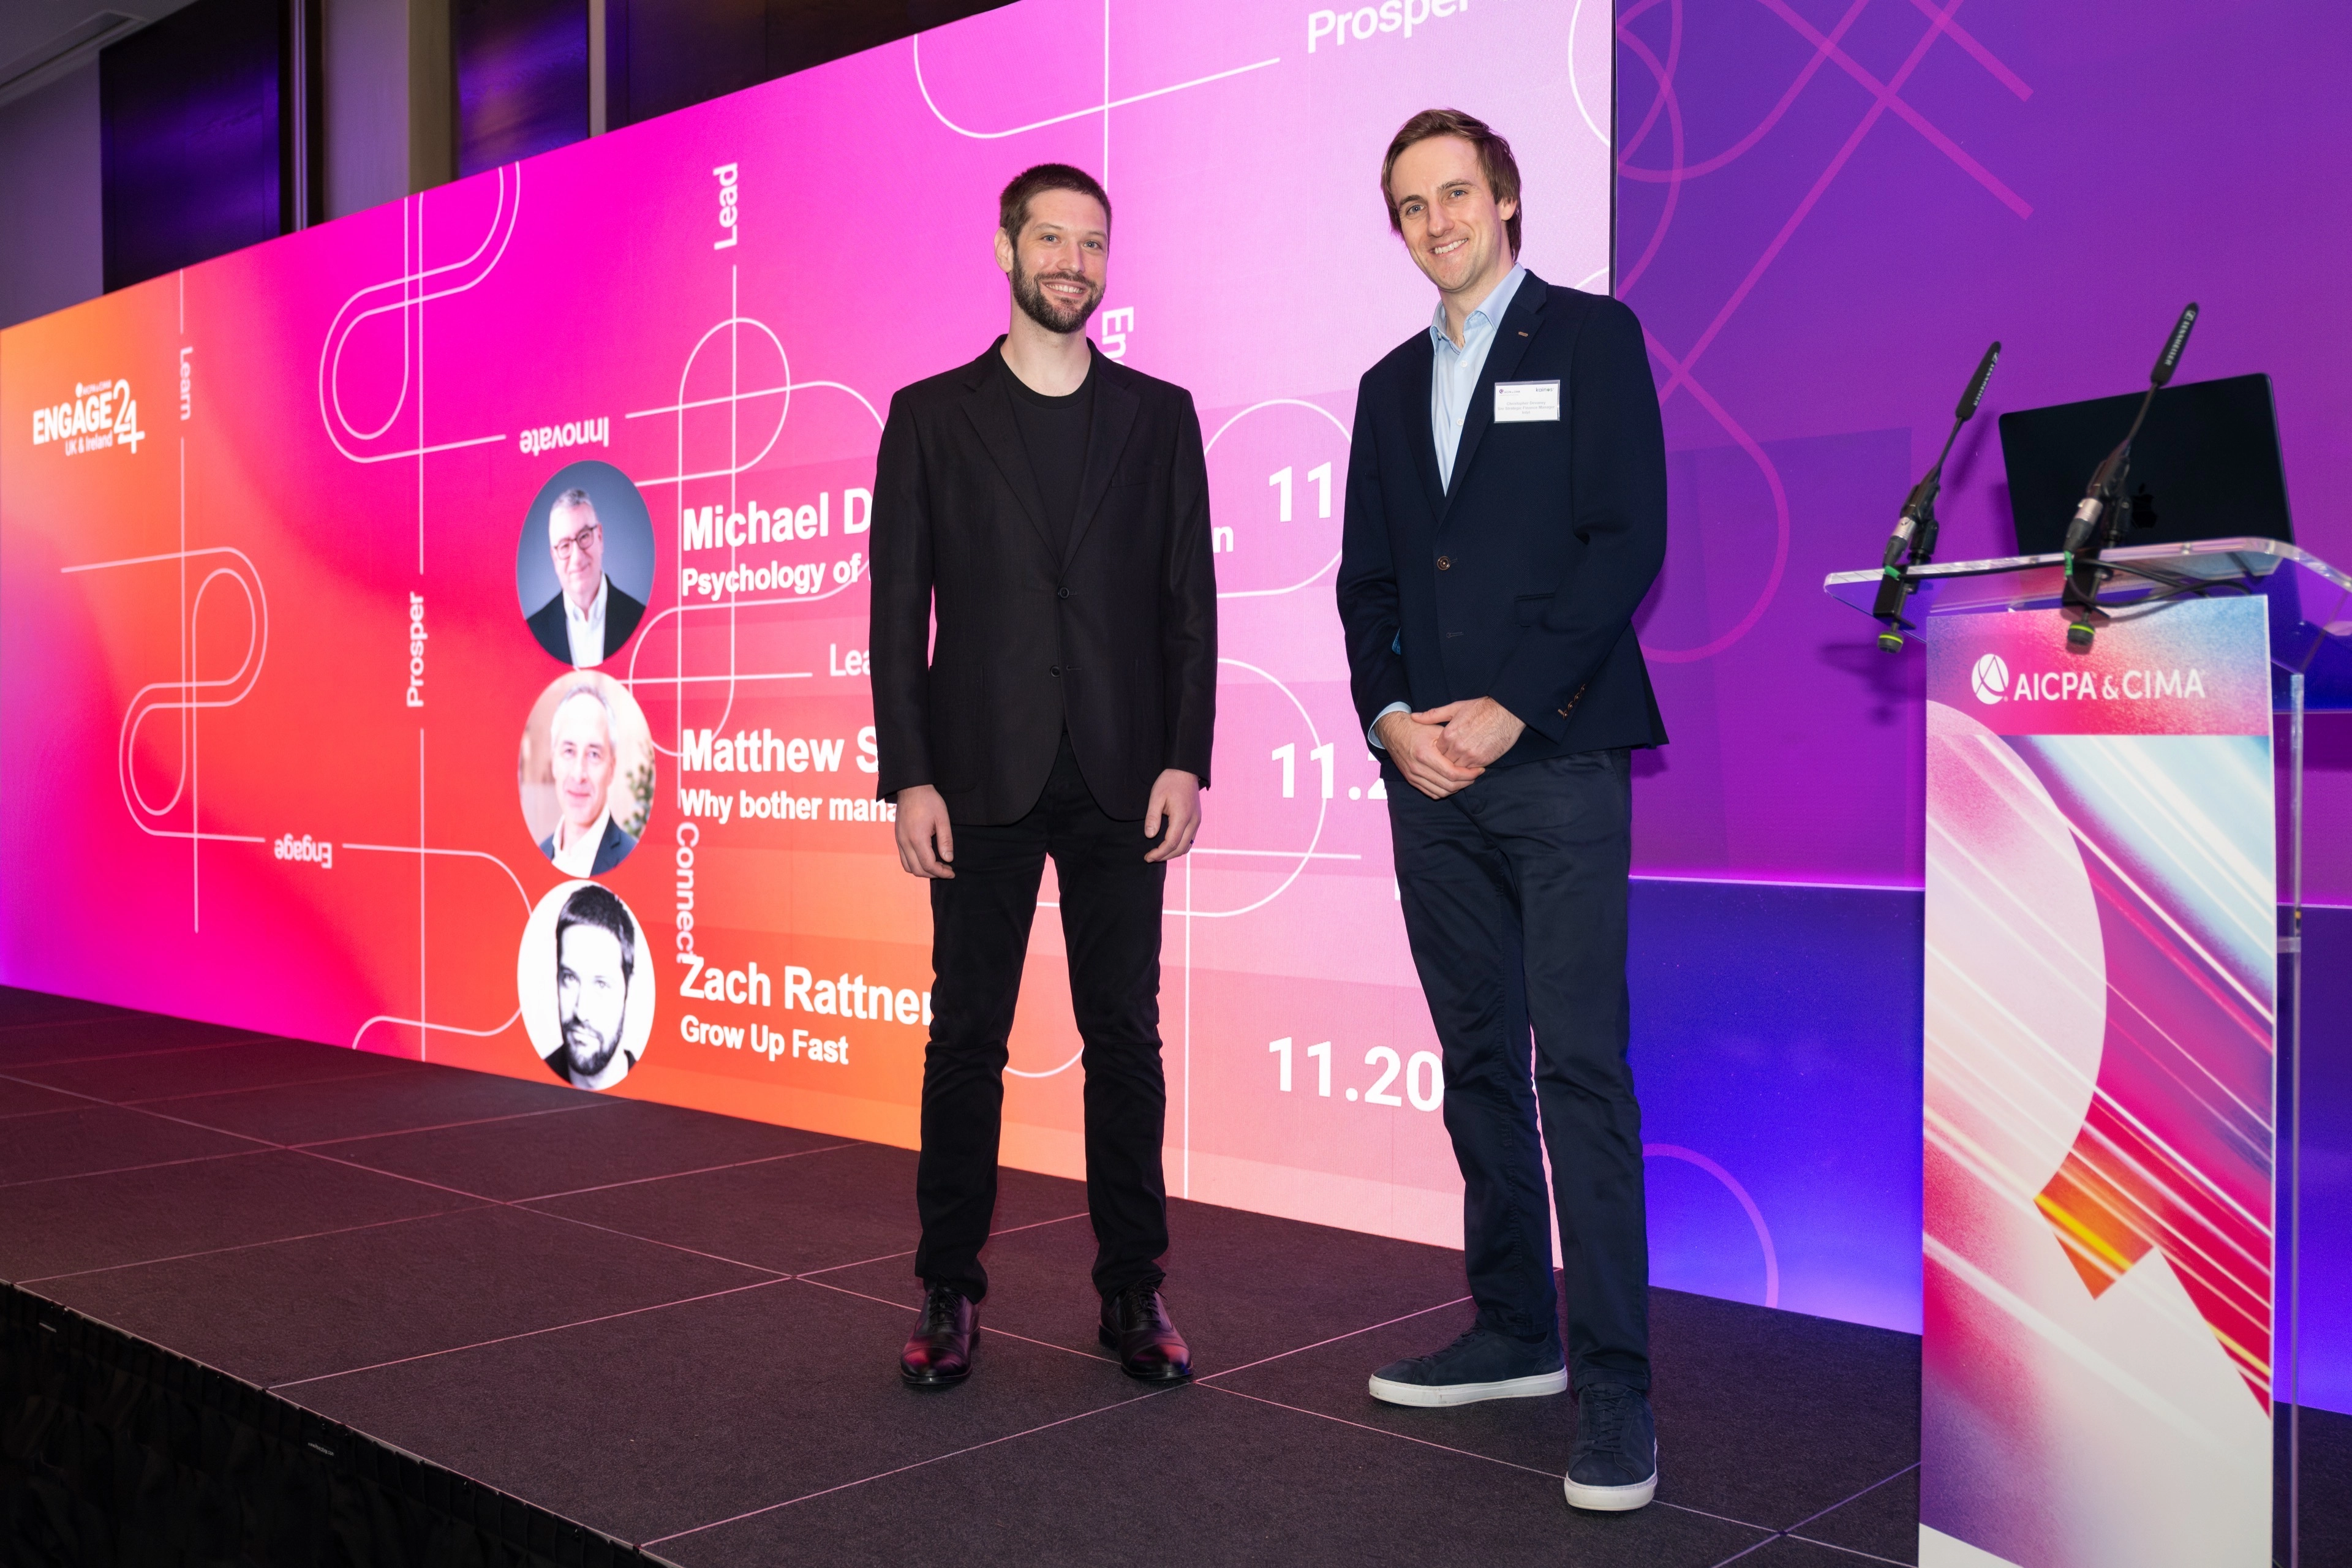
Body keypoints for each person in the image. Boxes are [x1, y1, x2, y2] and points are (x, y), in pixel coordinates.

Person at [1334, 109, 1670, 1512]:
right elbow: (1369, 583)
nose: (1436, 222)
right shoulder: (1380, 383)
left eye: (1455, 193)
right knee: (1476, 1060)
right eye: (1410, 206)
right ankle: (1512, 1330)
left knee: (1578, 1073)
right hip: (1430, 781)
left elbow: (1624, 540)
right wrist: (1389, 713)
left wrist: (1509, 705)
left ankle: (1614, 1391)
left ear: (1507, 197)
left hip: (1556, 760)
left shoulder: (1591, 341)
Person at [869, 162, 1217, 1390]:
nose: (1074, 261)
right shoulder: (928, 416)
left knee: (1125, 1036)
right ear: (1008, 249)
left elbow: (1191, 608)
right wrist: (908, 774)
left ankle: (1134, 1290)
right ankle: (949, 1289)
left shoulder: (1161, 417)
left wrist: (1188, 753)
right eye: (1053, 238)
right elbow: (894, 613)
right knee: (965, 1035)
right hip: (976, 777)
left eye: (1094, 243)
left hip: (1127, 774)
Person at [527, 488, 647, 666]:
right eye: (565, 546)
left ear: (599, 536)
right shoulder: (533, 633)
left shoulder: (641, 619)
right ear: (554, 557)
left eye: (584, 537)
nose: (577, 558)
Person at [536, 685, 639, 875]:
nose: (578, 774)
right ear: (554, 762)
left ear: (611, 769)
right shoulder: (537, 856)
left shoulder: (636, 862)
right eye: (569, 751)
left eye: (593, 754)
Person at [549, 883, 640, 1090]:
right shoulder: (528, 1083)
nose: (581, 1012)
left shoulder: (661, 1092)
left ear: (629, 990)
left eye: (601, 984)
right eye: (570, 979)